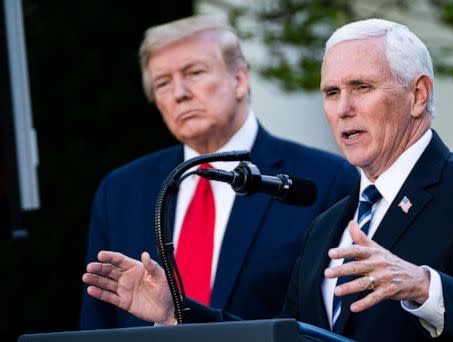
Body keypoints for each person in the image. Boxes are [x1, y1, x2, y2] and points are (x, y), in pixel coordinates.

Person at [83, 18, 453, 341]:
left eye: (361, 88)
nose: (342, 108)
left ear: (418, 94)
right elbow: (285, 337)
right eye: (331, 92)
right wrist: (175, 313)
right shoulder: (331, 222)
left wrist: (425, 287)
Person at [79, 14, 358, 330]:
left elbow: (330, 321)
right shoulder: (121, 191)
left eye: (194, 73)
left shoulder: (325, 179)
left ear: (239, 79)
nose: (179, 93)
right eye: (163, 83)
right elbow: (98, 320)